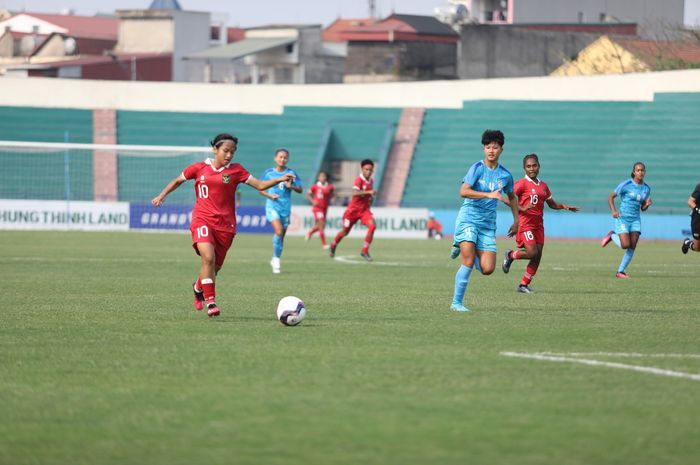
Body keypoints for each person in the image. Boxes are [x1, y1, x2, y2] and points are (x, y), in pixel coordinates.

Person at [151, 133, 294, 317]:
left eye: (232, 152)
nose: (229, 155)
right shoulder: (198, 168)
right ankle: (211, 303)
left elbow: (259, 185)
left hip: (226, 225)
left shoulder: (236, 170)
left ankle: (198, 287)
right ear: (215, 149)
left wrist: (279, 179)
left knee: (214, 268)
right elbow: (178, 180)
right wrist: (162, 195)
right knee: (208, 258)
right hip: (202, 219)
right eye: (226, 151)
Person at [449, 129, 519, 312]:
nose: (491, 150)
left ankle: (461, 246)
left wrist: (517, 220)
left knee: (488, 269)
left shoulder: (505, 175)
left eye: (495, 147)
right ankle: (456, 303)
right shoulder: (477, 168)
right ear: (483, 149)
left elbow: (512, 197)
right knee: (469, 261)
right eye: (487, 147)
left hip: (487, 225)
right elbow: (463, 191)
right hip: (469, 219)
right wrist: (488, 194)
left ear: (501, 150)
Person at [501, 154, 579, 293]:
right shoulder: (521, 184)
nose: (532, 169)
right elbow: (508, 199)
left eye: (534, 165)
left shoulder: (543, 186)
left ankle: (523, 285)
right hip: (525, 224)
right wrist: (523, 208)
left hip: (538, 226)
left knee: (537, 256)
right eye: (528, 166)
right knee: (532, 252)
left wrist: (564, 206)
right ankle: (511, 255)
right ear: (524, 168)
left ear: (539, 166)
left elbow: (552, 204)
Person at [600, 162, 652, 278]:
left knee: (632, 246)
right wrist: (613, 211)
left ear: (645, 172)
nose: (640, 172)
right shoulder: (626, 184)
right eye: (638, 170)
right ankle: (612, 235)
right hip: (623, 218)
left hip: (635, 220)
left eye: (642, 170)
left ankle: (620, 271)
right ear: (634, 172)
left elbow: (642, 208)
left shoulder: (646, 189)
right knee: (625, 245)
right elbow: (610, 197)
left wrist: (647, 205)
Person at [258, 148, 303, 274]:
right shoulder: (268, 173)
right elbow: (260, 188)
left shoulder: (291, 173)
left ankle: (274, 257)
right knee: (278, 231)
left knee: (281, 236)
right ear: (275, 158)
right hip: (272, 206)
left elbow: (300, 190)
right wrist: (270, 196)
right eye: (280, 157)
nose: (283, 159)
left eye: (285, 157)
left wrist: (292, 186)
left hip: (286, 208)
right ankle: (276, 260)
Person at [329, 159, 376, 261]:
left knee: (372, 226)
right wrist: (369, 193)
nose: (368, 171)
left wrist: (370, 199)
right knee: (345, 232)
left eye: (370, 170)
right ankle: (333, 244)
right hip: (352, 211)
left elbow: (368, 195)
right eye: (366, 169)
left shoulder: (371, 181)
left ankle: (364, 251)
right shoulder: (358, 180)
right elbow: (355, 193)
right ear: (362, 169)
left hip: (364, 211)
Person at [305, 170, 336, 249]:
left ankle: (310, 232)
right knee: (321, 225)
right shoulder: (315, 186)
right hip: (317, 208)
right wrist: (313, 201)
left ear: (326, 177)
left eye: (323, 176)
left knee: (321, 226)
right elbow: (308, 195)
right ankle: (324, 244)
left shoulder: (330, 186)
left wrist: (333, 199)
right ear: (318, 178)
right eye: (320, 176)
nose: (322, 178)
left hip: (325, 208)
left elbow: (333, 194)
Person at [681, 182, 700, 254]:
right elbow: (690, 201)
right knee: (697, 247)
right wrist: (698, 210)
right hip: (697, 220)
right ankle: (687, 243)